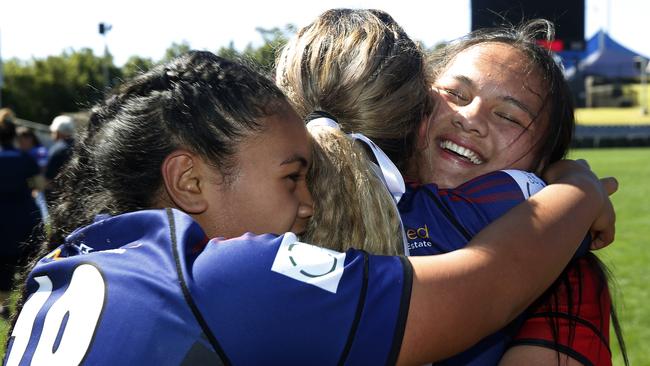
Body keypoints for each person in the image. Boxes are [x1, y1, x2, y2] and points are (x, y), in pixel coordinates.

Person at [6, 51, 612, 365]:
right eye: (294, 176)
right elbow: (480, 289)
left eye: (509, 115)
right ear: (189, 180)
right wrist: (580, 190)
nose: (307, 203)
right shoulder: (231, 279)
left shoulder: (69, 260)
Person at [276, 9, 623, 365]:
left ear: (540, 165)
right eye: (455, 94)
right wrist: (578, 188)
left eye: (508, 116)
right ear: (416, 104)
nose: (470, 118)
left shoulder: (561, 270)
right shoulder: (294, 200)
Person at [0, 109, 43, 319]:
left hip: (2, 217)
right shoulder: (24, 158)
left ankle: (4, 305)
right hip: (25, 214)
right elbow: (39, 185)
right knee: (29, 258)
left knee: (3, 262)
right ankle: (29, 300)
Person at [44, 114, 75, 205]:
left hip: (59, 198)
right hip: (76, 195)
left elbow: (48, 179)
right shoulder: (81, 145)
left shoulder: (57, 149)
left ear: (58, 132)